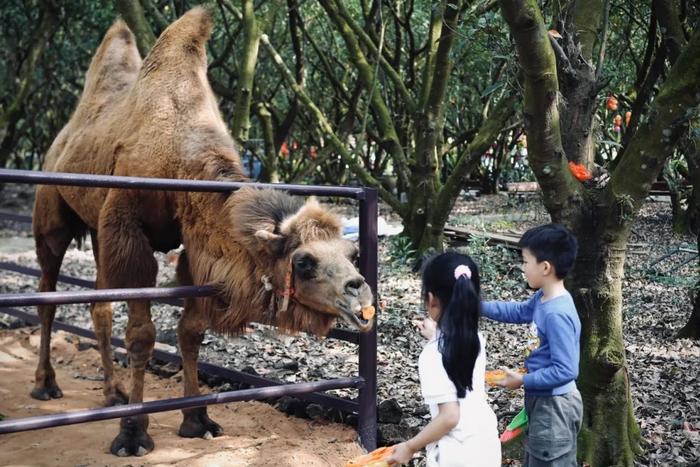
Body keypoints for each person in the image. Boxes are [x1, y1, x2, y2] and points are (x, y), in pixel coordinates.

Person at [483, 223, 583, 466]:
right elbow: (518, 311)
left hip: (554, 407)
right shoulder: (543, 298)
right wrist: (477, 305)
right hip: (542, 401)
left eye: (526, 262)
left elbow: (567, 370)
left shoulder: (556, 314)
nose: (523, 267)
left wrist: (522, 381)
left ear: (545, 267)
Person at [388, 252, 501, 466]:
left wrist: (410, 447)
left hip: (456, 453)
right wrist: (436, 336)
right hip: (485, 443)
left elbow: (449, 417)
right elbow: (453, 351)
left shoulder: (432, 355)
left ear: (431, 299)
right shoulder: (475, 339)